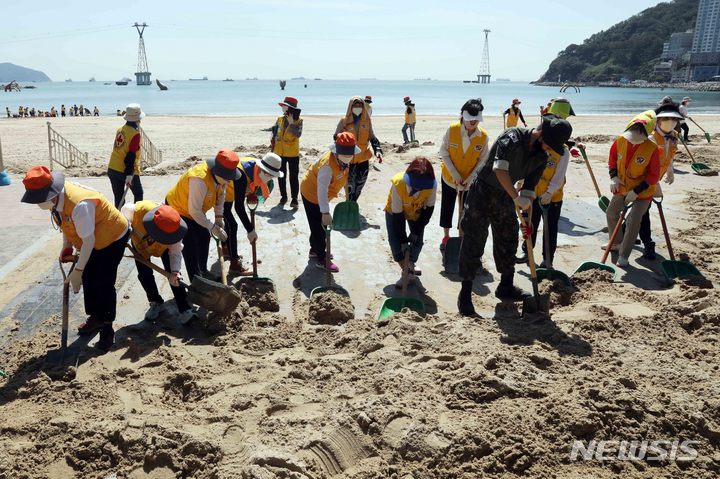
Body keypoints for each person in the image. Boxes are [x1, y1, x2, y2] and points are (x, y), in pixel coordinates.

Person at [457, 116, 572, 316]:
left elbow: (529, 188)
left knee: (508, 239)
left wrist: (526, 209)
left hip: (505, 196)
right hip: (483, 190)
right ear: (540, 134)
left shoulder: (541, 157)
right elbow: (499, 169)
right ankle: (465, 292)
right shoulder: (510, 137)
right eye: (549, 144)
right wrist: (515, 196)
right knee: (474, 240)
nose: (549, 149)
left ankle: (506, 286)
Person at [20, 166, 129, 351]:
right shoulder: (55, 200)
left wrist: (78, 270)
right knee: (89, 278)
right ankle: (95, 317)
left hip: (113, 236)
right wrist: (67, 246)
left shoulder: (80, 205)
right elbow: (64, 222)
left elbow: (88, 242)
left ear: (50, 193)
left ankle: (107, 329)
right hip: (92, 237)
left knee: (103, 282)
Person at [166, 149, 239, 282]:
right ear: (218, 172)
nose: (229, 182)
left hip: (194, 211)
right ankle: (197, 281)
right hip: (178, 209)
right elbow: (194, 211)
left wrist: (218, 218)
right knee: (190, 244)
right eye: (227, 178)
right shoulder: (199, 180)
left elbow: (220, 197)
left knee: (204, 237)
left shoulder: (221, 179)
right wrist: (212, 227)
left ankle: (204, 271)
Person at [121, 201, 198, 324]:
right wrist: (126, 233)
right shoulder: (132, 211)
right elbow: (121, 224)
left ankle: (184, 308)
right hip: (140, 246)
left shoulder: (175, 228)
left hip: (164, 248)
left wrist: (175, 271)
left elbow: (175, 253)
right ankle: (156, 301)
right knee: (144, 275)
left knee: (175, 278)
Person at [605, 110, 661, 267]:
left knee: (633, 220)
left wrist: (636, 192)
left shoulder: (652, 149)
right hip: (622, 186)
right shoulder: (620, 141)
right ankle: (616, 243)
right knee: (611, 213)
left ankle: (624, 254)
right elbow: (613, 160)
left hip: (643, 193)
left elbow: (653, 176)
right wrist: (614, 178)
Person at [300, 132, 357, 272]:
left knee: (316, 225)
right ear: (337, 152)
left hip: (322, 193)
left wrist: (346, 191)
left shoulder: (343, 160)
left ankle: (314, 250)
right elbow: (321, 191)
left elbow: (343, 174)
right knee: (319, 227)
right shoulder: (327, 166)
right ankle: (321, 258)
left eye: (350, 155)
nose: (349, 157)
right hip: (312, 194)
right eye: (346, 155)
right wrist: (325, 212)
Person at [438, 99, 489, 249]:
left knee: (465, 211)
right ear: (462, 116)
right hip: (449, 178)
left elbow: (482, 161)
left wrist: (470, 178)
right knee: (447, 207)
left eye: (476, 119)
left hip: (469, 182)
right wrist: (455, 174)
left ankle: (462, 236)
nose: (473, 121)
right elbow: (444, 153)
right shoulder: (452, 129)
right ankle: (446, 236)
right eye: (470, 118)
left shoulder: (483, 136)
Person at [224, 153, 283, 272]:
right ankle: (234, 263)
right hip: (222, 193)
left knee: (229, 223)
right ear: (263, 170)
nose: (270, 177)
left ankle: (227, 249)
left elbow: (253, 183)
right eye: (270, 175)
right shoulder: (240, 175)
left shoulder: (256, 168)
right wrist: (250, 230)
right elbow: (239, 207)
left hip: (230, 191)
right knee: (232, 225)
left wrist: (251, 194)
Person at [639, 102, 683, 260]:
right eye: (667, 119)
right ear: (658, 120)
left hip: (657, 178)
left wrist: (670, 170)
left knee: (640, 211)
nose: (671, 122)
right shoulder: (649, 137)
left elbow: (670, 155)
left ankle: (624, 232)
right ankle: (648, 244)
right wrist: (651, 181)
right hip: (642, 180)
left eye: (674, 120)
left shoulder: (674, 136)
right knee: (643, 212)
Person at [384, 157, 436, 286]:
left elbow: (428, 211)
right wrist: (402, 241)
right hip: (395, 212)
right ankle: (406, 271)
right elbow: (398, 217)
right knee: (395, 241)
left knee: (417, 242)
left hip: (417, 211)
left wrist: (416, 232)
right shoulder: (398, 184)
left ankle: (410, 265)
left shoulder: (432, 185)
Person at [334, 96, 383, 202]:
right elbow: (336, 137)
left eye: (360, 106)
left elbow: (372, 137)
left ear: (363, 107)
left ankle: (354, 201)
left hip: (363, 158)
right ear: (350, 107)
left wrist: (378, 150)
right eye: (355, 106)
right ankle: (349, 202)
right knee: (349, 185)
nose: (358, 108)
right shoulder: (344, 121)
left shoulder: (366, 121)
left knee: (360, 184)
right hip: (348, 159)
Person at [108, 103, 144, 208]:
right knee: (138, 193)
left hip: (113, 167)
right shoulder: (135, 134)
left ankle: (120, 221)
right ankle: (137, 217)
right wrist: (129, 175)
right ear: (138, 120)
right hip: (126, 170)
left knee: (119, 199)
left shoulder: (120, 129)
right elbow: (130, 156)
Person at [271, 96, 303, 208]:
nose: (282, 108)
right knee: (281, 176)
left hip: (293, 154)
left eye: (284, 106)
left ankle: (294, 199)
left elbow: (298, 134)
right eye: (282, 106)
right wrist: (272, 149)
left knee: (293, 177)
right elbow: (274, 134)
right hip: (280, 153)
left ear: (290, 108)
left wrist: (291, 123)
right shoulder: (279, 118)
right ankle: (283, 197)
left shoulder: (299, 120)